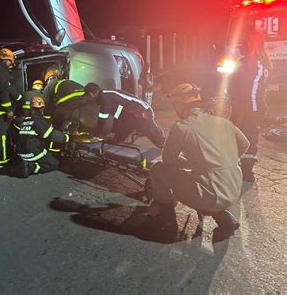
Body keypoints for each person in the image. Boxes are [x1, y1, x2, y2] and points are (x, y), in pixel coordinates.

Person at [148, 83, 250, 236]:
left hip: (210, 195)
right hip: (234, 189)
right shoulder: (222, 122)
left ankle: (167, 219)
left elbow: (168, 160)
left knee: (158, 169)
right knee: (206, 181)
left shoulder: (182, 127)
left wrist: (188, 163)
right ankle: (223, 218)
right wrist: (223, 159)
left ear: (179, 105)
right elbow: (245, 145)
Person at [228, 31, 272, 182]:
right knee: (237, 136)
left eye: (245, 41)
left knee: (249, 137)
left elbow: (251, 91)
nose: (242, 45)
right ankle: (238, 166)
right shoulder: (252, 61)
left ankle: (246, 171)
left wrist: (243, 110)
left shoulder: (256, 62)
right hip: (243, 106)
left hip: (249, 107)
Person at [84, 83, 165, 148]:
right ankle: (118, 141)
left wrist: (96, 135)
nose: (88, 100)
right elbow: (120, 115)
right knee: (118, 135)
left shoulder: (104, 98)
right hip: (133, 114)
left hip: (142, 112)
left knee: (151, 132)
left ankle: (168, 148)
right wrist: (114, 133)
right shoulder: (106, 95)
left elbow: (102, 119)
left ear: (91, 94)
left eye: (87, 97)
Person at [16, 96, 70, 177]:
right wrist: (67, 137)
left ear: (31, 108)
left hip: (21, 153)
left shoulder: (26, 120)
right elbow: (51, 135)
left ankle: (25, 163)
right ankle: (30, 167)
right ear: (42, 109)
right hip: (31, 153)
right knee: (54, 164)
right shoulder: (38, 120)